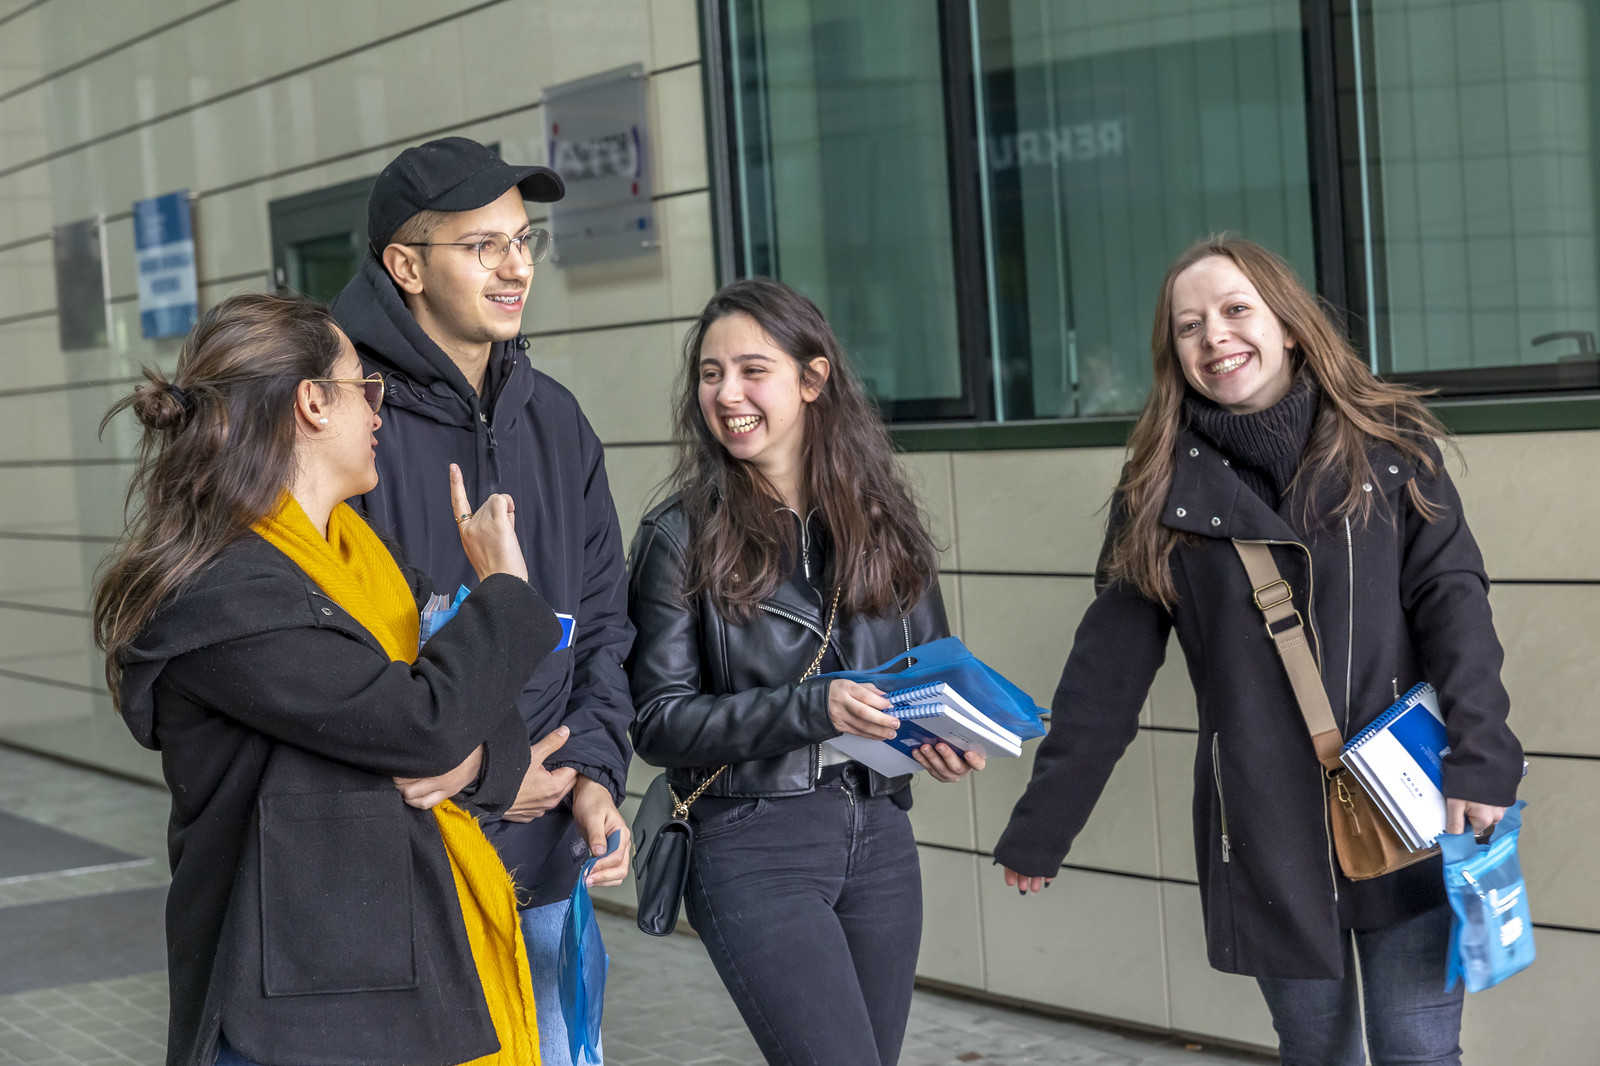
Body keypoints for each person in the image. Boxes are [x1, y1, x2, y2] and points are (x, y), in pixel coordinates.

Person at [994, 236, 1524, 1065]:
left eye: (1236, 310)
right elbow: (1105, 676)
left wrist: (1483, 759)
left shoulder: (1389, 449)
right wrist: (1043, 824)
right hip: (1264, 831)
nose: (1215, 336)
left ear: (1288, 324)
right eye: (1189, 326)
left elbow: (1456, 608)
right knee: (1317, 1054)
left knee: (1419, 1050)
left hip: (1411, 807)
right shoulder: (1157, 493)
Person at [93, 293, 562, 1066]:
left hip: (399, 977)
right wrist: (504, 591)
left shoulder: (362, 559)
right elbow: (426, 722)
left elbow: (464, 703)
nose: (378, 411)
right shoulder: (228, 595)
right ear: (311, 402)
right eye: (363, 388)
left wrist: (476, 758)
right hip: (300, 1019)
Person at [329, 136, 635, 1063]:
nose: (516, 267)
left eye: (523, 240)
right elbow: (335, 677)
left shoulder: (557, 421)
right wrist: (498, 773)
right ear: (405, 266)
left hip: (549, 873)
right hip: (408, 884)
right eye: (483, 246)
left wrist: (594, 772)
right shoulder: (344, 427)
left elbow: (605, 628)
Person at [626, 277, 983, 1066]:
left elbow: (931, 672)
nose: (727, 394)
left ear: (813, 379)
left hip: (880, 836)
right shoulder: (679, 535)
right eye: (711, 374)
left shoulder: (885, 521)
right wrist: (813, 707)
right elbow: (657, 721)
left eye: (752, 370)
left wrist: (944, 738)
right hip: (751, 840)